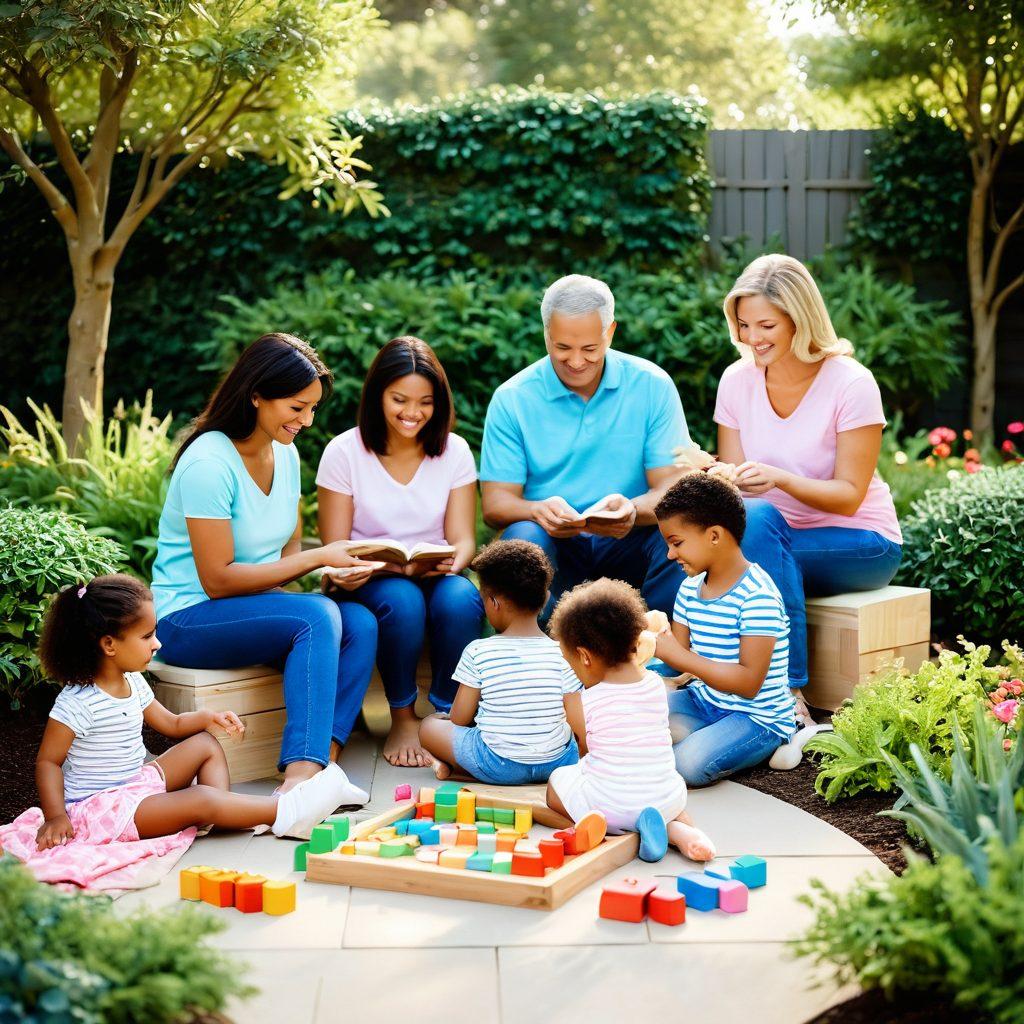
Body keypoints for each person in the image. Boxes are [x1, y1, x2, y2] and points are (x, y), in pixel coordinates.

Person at [0, 577, 358, 888]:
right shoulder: (77, 702)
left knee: (204, 744)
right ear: (109, 645)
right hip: (104, 808)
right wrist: (56, 816)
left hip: (135, 786)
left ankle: (223, 814)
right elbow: (48, 762)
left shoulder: (133, 681)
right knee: (200, 796)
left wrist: (207, 718)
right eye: (147, 636)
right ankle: (287, 810)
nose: (157, 644)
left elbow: (170, 724)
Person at [151, 333, 378, 795]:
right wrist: (319, 557)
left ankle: (324, 758)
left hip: (247, 610)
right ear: (256, 395)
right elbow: (217, 581)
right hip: (186, 618)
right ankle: (299, 780)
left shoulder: (286, 454)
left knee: (360, 623)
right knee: (316, 615)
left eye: (312, 408)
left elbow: (287, 554)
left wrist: (327, 571)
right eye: (297, 407)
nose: (307, 421)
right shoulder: (209, 464)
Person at [710, 254, 902, 727]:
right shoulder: (736, 381)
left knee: (757, 545)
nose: (753, 338)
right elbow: (739, 491)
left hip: (862, 541)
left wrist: (778, 478)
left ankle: (787, 690)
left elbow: (850, 495)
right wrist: (721, 475)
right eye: (744, 324)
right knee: (741, 531)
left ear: (800, 320)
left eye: (767, 325)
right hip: (770, 536)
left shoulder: (851, 383)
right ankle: (707, 681)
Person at [479, 274, 690, 619]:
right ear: (546, 334)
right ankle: (538, 646)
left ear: (610, 332)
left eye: (590, 349)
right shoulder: (512, 398)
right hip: (553, 546)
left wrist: (632, 510)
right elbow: (495, 503)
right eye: (562, 348)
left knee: (681, 529)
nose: (576, 362)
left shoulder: (652, 385)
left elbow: (671, 486)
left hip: (632, 539)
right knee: (522, 537)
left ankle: (664, 642)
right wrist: (536, 510)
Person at [317, 337, 484, 768]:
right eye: (399, 400)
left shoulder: (454, 451)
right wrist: (364, 567)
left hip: (434, 572)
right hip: (369, 580)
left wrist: (454, 561)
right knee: (402, 598)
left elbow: (463, 538)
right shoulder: (344, 452)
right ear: (378, 395)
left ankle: (446, 717)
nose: (413, 413)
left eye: (425, 402)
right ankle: (404, 718)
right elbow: (335, 546)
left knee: (462, 598)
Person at [546, 578, 716, 863]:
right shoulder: (655, 684)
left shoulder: (591, 698)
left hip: (609, 809)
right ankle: (679, 830)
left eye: (570, 662)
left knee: (558, 782)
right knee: (664, 788)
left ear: (585, 656)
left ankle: (604, 828)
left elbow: (588, 750)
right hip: (665, 799)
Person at [652, 474, 795, 785]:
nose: (670, 554)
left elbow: (748, 683)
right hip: (704, 701)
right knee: (634, 720)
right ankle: (702, 735)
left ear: (714, 536)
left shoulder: (757, 596)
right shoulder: (689, 589)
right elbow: (676, 658)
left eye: (677, 543)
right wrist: (645, 643)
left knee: (687, 766)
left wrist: (678, 656)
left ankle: (782, 739)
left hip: (756, 716)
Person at [419, 540, 582, 785]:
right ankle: (461, 769)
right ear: (546, 598)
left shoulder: (478, 651)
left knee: (429, 726)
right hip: (556, 764)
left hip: (499, 766)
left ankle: (456, 768)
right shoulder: (562, 653)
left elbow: (459, 719)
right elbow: (577, 721)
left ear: (494, 603)